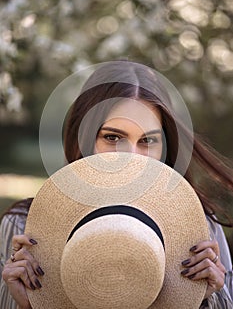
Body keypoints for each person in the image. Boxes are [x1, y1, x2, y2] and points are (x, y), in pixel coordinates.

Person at [1, 61, 233, 309]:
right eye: (113, 137)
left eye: (147, 140)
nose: (130, 156)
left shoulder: (200, 229)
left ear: (165, 146)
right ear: (85, 139)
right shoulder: (23, 227)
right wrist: (28, 304)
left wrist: (208, 298)